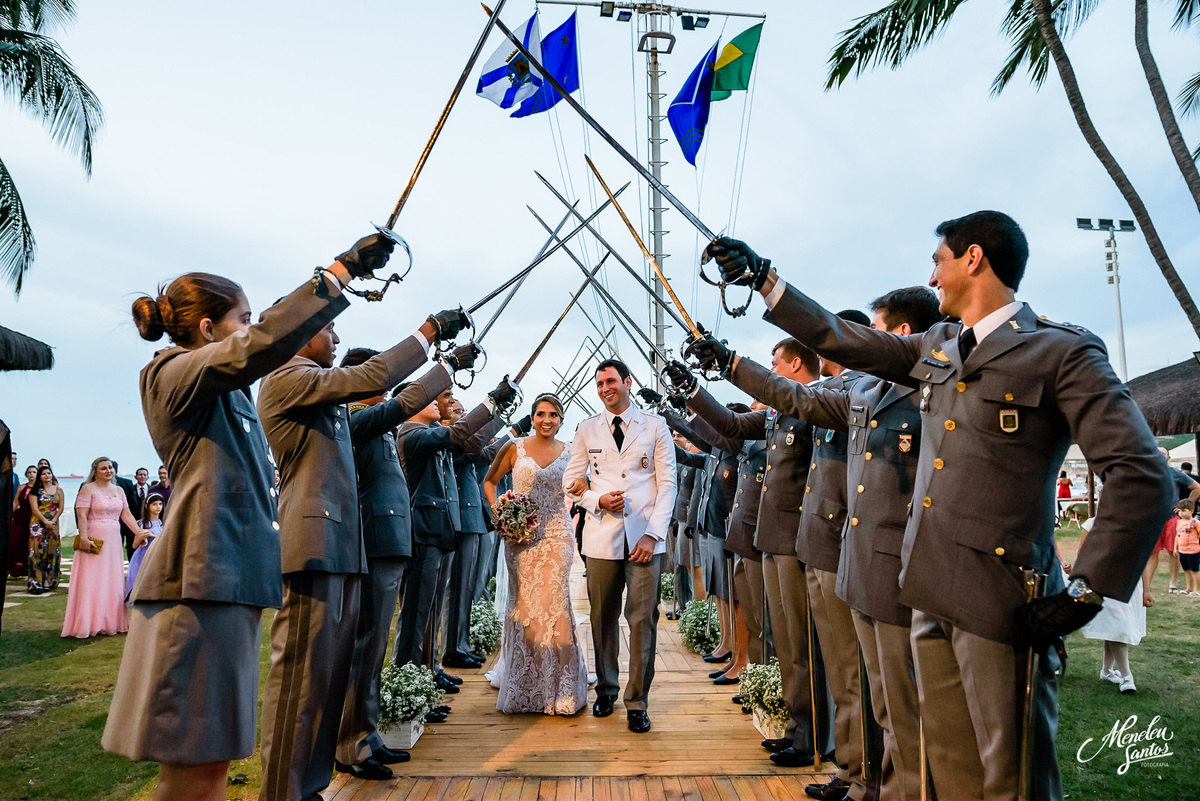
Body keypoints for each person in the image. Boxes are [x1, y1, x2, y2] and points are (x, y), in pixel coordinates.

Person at [706, 211, 1173, 800]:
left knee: (1011, 780)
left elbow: (1141, 474)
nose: (932, 278)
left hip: (1001, 601)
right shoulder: (937, 347)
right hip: (926, 591)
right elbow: (840, 337)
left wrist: (1085, 592)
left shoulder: (1060, 352)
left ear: (973, 257)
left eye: (939, 261)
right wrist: (765, 280)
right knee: (944, 772)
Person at [101, 237, 390, 801]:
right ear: (208, 330)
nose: (252, 331)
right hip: (198, 587)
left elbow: (256, 349)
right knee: (194, 769)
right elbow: (261, 347)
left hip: (226, 585)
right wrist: (339, 271)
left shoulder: (220, 392)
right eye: (244, 320)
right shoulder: (171, 374)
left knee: (210, 767)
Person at [687, 286, 943, 800]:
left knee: (868, 679)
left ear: (899, 335)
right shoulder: (863, 392)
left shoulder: (910, 387)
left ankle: (865, 774)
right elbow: (777, 408)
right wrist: (716, 378)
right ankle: (855, 771)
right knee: (850, 672)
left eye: (869, 331)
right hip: (830, 544)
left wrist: (735, 363)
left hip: (863, 549)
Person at [257, 294, 470, 798]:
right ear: (300, 332)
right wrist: (430, 333)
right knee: (301, 683)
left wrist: (444, 369)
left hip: (340, 545)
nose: (335, 339)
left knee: (327, 677)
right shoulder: (291, 379)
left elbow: (388, 399)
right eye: (329, 330)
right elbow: (377, 384)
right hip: (314, 544)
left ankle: (313, 780)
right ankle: (287, 790)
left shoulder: (318, 396)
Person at [671, 339, 832, 765]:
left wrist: (730, 363)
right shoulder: (783, 412)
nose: (772, 368)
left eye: (776, 362)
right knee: (787, 641)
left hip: (797, 537)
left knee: (800, 643)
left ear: (795, 363)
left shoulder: (815, 404)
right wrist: (692, 392)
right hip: (773, 537)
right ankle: (799, 728)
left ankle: (815, 737)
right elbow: (733, 426)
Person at [333, 348, 458, 776]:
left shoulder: (377, 423)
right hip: (375, 540)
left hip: (392, 541)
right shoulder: (357, 418)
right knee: (366, 644)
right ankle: (351, 744)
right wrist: (444, 368)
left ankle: (367, 735)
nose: (382, 384)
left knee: (375, 647)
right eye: (375, 376)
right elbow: (399, 408)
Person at [562, 358, 677, 734]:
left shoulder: (656, 426)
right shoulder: (586, 429)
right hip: (600, 536)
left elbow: (668, 484)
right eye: (599, 384)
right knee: (602, 617)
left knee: (643, 620)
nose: (605, 388)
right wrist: (596, 500)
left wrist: (653, 534)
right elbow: (570, 479)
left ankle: (637, 700)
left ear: (627, 382)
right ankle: (607, 689)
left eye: (611, 381)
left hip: (644, 538)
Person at [482, 392, 589, 715]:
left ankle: (561, 687)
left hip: (557, 535)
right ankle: (526, 684)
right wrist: (501, 512)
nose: (546, 420)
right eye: (541, 414)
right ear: (532, 417)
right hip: (520, 539)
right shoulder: (514, 448)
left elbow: (583, 487)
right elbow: (490, 482)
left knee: (554, 603)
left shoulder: (572, 452)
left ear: (560, 419)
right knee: (525, 606)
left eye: (553, 415)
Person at [63, 457, 145, 636]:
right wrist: (83, 537)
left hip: (114, 540)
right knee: (92, 578)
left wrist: (139, 532)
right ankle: (89, 622)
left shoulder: (119, 490)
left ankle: (110, 621)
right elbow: (82, 515)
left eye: (110, 468)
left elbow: (127, 515)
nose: (108, 471)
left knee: (111, 578)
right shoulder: (87, 489)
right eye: (104, 468)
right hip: (94, 537)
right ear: (95, 472)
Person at [1073, 519, 1148, 695]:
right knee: (1118, 623)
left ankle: (1106, 671)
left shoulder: (1137, 523)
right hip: (1105, 579)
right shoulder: (1093, 523)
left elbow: (1141, 559)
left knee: (1113, 626)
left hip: (1130, 582)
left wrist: (1147, 590)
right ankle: (1127, 676)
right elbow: (1082, 553)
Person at [27, 465, 63, 594]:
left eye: (49, 473)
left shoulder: (58, 490)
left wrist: (53, 521)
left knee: (52, 551)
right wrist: (45, 521)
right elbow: (35, 509)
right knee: (37, 551)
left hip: (53, 524)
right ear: (39, 477)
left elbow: (61, 508)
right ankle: (36, 581)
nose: (47, 476)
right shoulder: (34, 491)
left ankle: (49, 579)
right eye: (44, 474)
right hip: (38, 524)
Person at [124, 492, 164, 603]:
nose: (158, 507)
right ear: (147, 506)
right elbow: (134, 545)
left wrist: (152, 535)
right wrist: (141, 537)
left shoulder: (162, 523)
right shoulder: (141, 524)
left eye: (160, 504)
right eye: (155, 504)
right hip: (144, 555)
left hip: (158, 555)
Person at [9, 464, 36, 578]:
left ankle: (29, 568)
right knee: (15, 542)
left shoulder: (39, 488)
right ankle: (15, 568)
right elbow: (16, 501)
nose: (31, 474)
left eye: (34, 472)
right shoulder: (21, 487)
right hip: (20, 516)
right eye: (29, 472)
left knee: (30, 544)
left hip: (33, 517)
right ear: (26, 474)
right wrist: (10, 514)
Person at [1175, 500, 1200, 597]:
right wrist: (1175, 548)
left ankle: (1197, 590)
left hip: (1193, 551)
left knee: (1194, 571)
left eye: (1183, 510)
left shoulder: (1196, 522)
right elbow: (1178, 535)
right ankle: (1189, 588)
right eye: (1179, 510)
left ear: (1191, 511)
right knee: (1186, 570)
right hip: (1182, 550)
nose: (1181, 513)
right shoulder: (1179, 522)